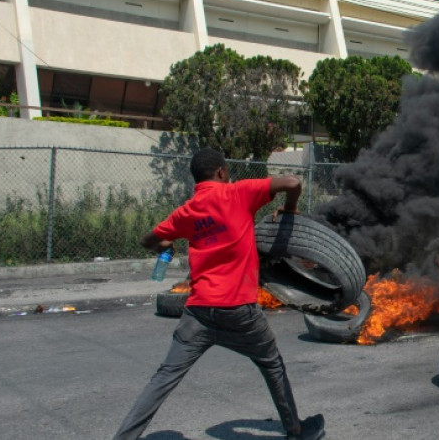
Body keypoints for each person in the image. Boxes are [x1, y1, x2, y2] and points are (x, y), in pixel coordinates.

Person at [114, 148, 325, 440]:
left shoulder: (186, 212)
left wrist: (162, 247)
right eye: (227, 172)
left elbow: (147, 239)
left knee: (164, 377)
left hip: (198, 312)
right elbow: (292, 183)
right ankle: (296, 430)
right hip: (240, 310)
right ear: (221, 172)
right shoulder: (237, 193)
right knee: (271, 364)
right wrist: (290, 209)